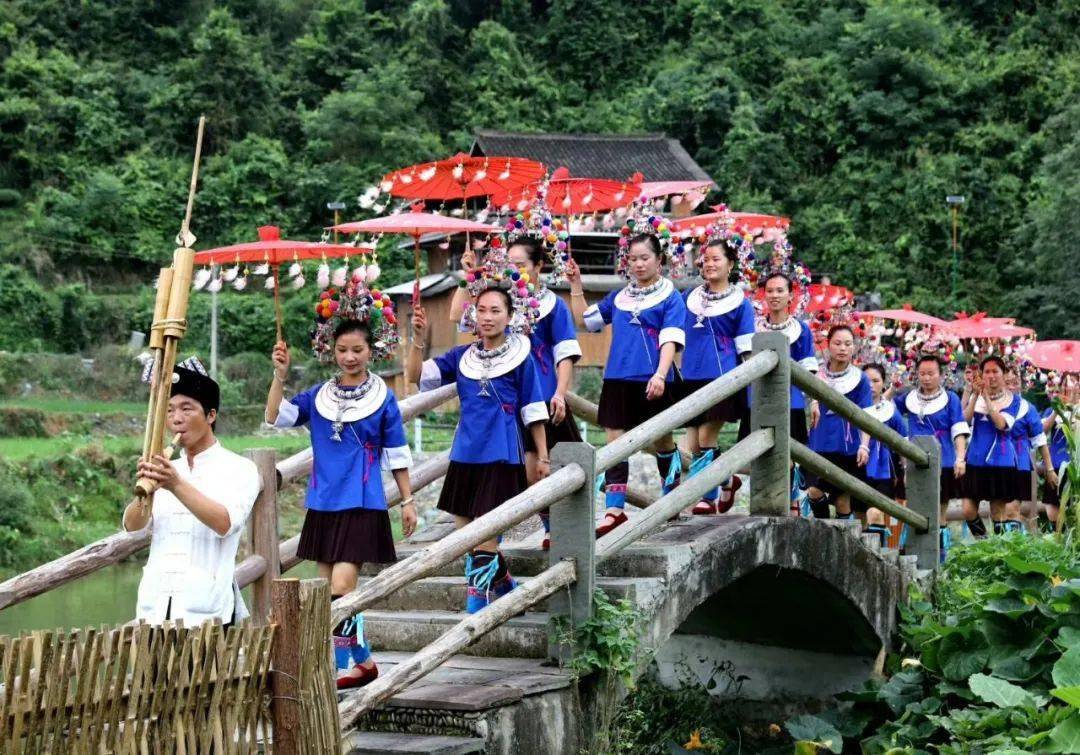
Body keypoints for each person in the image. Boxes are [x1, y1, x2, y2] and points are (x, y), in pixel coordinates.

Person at [266, 317, 416, 689]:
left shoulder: (382, 397)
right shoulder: (319, 396)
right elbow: (275, 417)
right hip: (324, 501)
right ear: (331, 351)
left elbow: (396, 452)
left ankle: (336, 669)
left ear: (372, 351)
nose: (349, 357)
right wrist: (280, 376)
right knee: (325, 594)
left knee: (343, 585)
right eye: (342, 350)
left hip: (363, 501)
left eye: (358, 350)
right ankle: (361, 662)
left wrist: (408, 500)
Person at [406, 287, 548, 613]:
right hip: (465, 452)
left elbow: (533, 407)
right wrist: (417, 337)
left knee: (486, 533)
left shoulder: (520, 356)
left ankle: (476, 609)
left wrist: (541, 455)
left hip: (502, 453)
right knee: (467, 535)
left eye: (495, 310)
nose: (487, 317)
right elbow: (416, 376)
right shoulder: (461, 357)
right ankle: (509, 589)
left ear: (509, 316)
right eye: (482, 310)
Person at [453, 238, 582, 549]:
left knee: (544, 470)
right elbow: (456, 318)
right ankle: (490, 549)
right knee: (524, 477)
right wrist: (466, 276)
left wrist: (561, 393)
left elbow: (564, 353)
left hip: (544, 396)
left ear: (539, 266)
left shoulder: (552, 306)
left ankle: (550, 529)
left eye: (521, 264)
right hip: (506, 405)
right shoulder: (496, 304)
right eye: (508, 264)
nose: (514, 270)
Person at [124, 358, 259, 631]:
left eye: (187, 409)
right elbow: (132, 527)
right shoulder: (166, 468)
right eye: (171, 410)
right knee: (153, 676)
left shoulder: (240, 469)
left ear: (211, 415)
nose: (176, 419)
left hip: (206, 615)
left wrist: (175, 484)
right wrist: (145, 490)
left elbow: (225, 523)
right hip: (155, 610)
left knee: (204, 675)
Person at [567, 230, 687, 537]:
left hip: (653, 377)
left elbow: (671, 338)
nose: (638, 264)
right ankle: (614, 509)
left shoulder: (671, 296)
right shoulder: (620, 297)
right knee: (615, 442)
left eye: (644, 258)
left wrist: (660, 374)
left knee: (662, 440)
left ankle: (672, 497)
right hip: (617, 376)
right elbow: (588, 322)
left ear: (659, 260)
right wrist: (576, 285)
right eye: (632, 259)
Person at [677, 237, 755, 514]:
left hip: (724, 378)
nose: (709, 264)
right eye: (705, 259)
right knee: (693, 443)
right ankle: (727, 479)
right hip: (691, 375)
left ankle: (706, 497)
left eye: (716, 259)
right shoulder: (689, 297)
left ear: (730, 264)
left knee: (707, 436)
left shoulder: (741, 303)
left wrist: (750, 385)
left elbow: (747, 347)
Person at [893, 354, 970, 556]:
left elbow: (958, 429)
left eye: (931, 374)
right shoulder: (908, 398)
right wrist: (893, 387)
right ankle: (911, 551)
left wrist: (960, 458)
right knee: (913, 507)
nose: (926, 378)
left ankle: (939, 556)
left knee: (940, 511)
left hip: (943, 461)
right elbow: (884, 408)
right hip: (913, 461)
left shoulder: (950, 399)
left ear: (941, 375)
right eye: (922, 374)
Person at [805, 325, 872, 520]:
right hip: (820, 440)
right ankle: (824, 532)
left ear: (854, 348)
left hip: (847, 445)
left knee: (843, 501)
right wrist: (814, 401)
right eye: (837, 343)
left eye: (848, 344)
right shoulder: (816, 373)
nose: (843, 348)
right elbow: (807, 396)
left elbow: (866, 416)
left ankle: (841, 541)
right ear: (828, 346)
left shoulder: (860, 379)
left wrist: (864, 446)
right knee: (814, 491)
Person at [962, 355, 1024, 536]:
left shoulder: (1014, 400)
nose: (991, 376)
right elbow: (964, 420)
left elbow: (1001, 424)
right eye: (986, 372)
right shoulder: (976, 397)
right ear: (981, 375)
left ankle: (999, 554)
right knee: (967, 509)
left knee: (997, 512)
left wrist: (987, 399)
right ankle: (984, 543)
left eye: (995, 371)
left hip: (1000, 462)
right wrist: (974, 395)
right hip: (974, 460)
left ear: (1004, 374)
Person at [1002, 368, 1053, 534]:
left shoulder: (1027, 408)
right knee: (998, 511)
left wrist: (1050, 468)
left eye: (1014, 383)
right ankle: (997, 551)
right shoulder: (991, 404)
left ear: (1021, 385)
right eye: (1007, 382)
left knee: (1011, 509)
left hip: (1019, 461)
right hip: (996, 460)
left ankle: (1013, 551)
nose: (1011, 386)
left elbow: (1040, 439)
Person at [862, 363, 907, 546]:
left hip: (883, 468)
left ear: (883, 383)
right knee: (858, 515)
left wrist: (906, 471)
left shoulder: (890, 411)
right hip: (856, 465)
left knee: (875, 513)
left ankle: (877, 555)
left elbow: (904, 440)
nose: (871, 385)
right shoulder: (850, 403)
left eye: (876, 380)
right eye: (867, 381)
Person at [1042, 377, 1075, 529]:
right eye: (1059, 389)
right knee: (1051, 509)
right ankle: (1060, 541)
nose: (1064, 391)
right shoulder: (1051, 410)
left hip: (1075, 464)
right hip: (1056, 463)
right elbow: (1042, 430)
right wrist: (1057, 410)